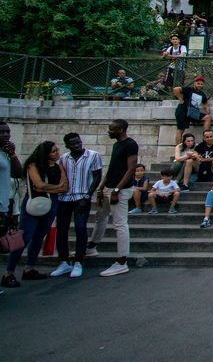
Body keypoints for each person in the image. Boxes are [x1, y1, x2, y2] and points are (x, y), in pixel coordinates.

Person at [2, 141, 67, 287]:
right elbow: (39, 184)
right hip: (34, 203)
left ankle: (29, 268)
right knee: (25, 236)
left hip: (51, 203)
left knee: (39, 237)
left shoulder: (58, 166)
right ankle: (9, 272)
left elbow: (64, 187)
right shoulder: (33, 165)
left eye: (57, 150)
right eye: (53, 151)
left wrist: (50, 188)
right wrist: (55, 188)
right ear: (45, 153)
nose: (57, 153)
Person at [86, 119, 139, 277]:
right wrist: (101, 188)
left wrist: (116, 189)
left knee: (120, 224)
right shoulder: (117, 145)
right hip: (110, 187)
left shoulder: (130, 144)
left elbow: (131, 169)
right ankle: (91, 246)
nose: (109, 131)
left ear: (121, 129)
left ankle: (122, 261)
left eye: (112, 129)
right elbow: (112, 168)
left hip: (120, 190)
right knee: (100, 218)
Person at [51, 132, 101, 279]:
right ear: (67, 145)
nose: (77, 145)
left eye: (78, 142)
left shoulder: (93, 155)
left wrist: (87, 196)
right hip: (64, 197)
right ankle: (64, 261)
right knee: (62, 229)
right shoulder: (63, 159)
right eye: (73, 144)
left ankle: (78, 261)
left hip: (81, 197)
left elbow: (97, 176)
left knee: (80, 228)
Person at [172, 75, 211, 146]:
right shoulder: (189, 89)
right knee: (180, 130)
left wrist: (207, 109)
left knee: (208, 117)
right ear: (195, 83)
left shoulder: (202, 94)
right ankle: (178, 148)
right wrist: (180, 99)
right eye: (198, 83)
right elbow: (176, 89)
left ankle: (205, 138)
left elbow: (205, 103)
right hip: (183, 110)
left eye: (201, 84)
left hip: (193, 112)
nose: (200, 85)